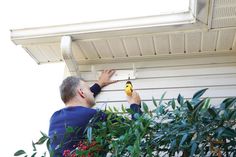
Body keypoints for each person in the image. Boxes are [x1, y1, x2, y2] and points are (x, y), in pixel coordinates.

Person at [48, 69, 142, 156]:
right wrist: (134, 104)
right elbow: (135, 130)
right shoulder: (93, 116)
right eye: (89, 90)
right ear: (81, 92)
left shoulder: (54, 118)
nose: (92, 93)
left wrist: (99, 83)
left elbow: (79, 102)